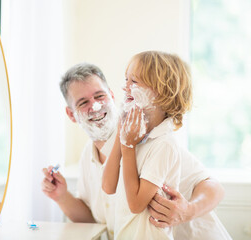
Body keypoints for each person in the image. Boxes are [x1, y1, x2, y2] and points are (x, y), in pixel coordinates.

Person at [41, 62, 226, 239]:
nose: (95, 106)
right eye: (82, 102)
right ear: (71, 114)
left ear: (112, 96)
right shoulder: (87, 156)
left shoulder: (147, 139)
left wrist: (188, 211)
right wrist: (62, 196)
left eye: (99, 96)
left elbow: (213, 186)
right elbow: (93, 220)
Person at [102, 51, 231, 239]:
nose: (125, 87)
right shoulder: (134, 136)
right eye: (126, 79)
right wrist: (122, 136)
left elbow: (136, 205)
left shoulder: (164, 144)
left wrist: (127, 147)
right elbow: (108, 186)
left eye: (134, 81)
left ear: (161, 92)